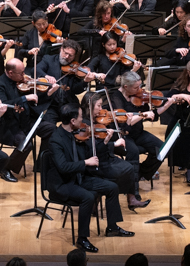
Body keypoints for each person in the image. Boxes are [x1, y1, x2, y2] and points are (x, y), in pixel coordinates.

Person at [48, 102, 133, 253]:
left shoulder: (79, 133)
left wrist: (106, 142)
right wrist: (85, 162)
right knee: (88, 197)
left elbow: (91, 153)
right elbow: (63, 167)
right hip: (64, 183)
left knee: (112, 187)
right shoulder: (56, 140)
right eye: (80, 118)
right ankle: (82, 238)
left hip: (80, 178)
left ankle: (112, 227)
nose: (84, 122)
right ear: (72, 121)